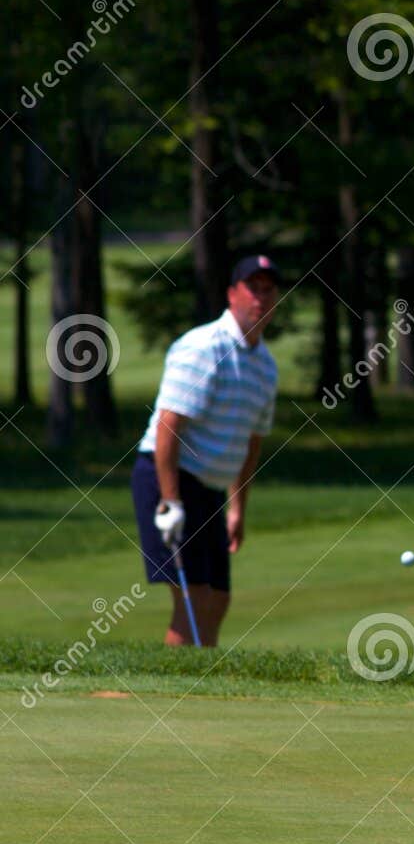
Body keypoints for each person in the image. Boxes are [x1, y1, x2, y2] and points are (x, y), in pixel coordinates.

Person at [131, 256, 280, 646]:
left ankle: (204, 688)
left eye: (268, 290)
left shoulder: (265, 366)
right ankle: (174, 694)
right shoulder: (203, 347)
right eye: (253, 288)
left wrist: (237, 509)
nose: (261, 298)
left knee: (217, 598)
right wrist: (170, 501)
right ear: (232, 294)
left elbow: (251, 443)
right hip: (169, 478)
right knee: (193, 596)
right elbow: (167, 428)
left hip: (210, 490)